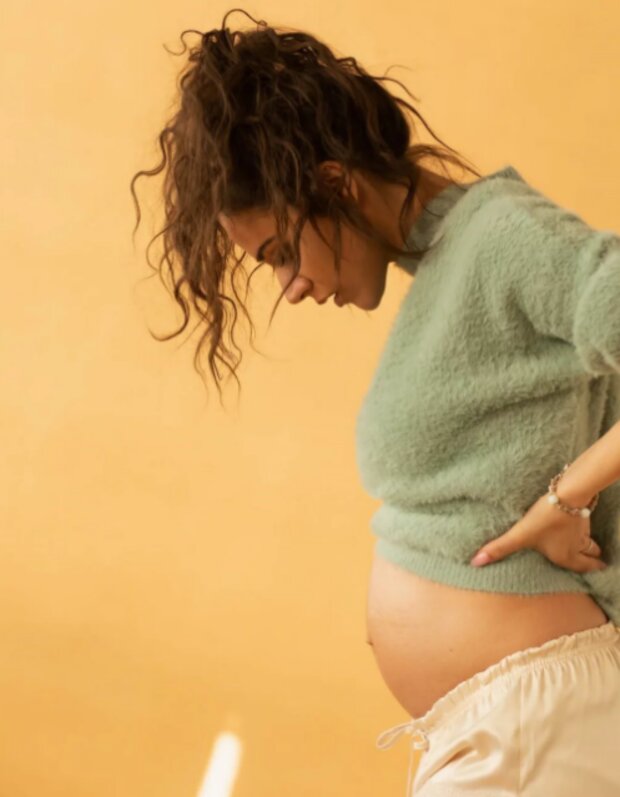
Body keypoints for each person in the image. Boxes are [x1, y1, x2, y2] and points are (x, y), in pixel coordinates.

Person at [129, 10, 620, 795]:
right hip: (505, 728)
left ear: (334, 182)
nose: (290, 287)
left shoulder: (502, 237)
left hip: (536, 724)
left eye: (283, 253)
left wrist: (571, 493)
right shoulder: (455, 260)